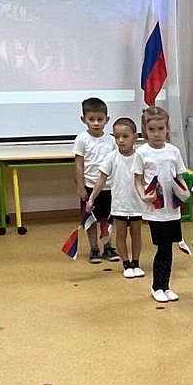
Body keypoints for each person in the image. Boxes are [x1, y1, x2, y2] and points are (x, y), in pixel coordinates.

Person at [131, 106, 188, 302]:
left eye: (161, 129)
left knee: (169, 248)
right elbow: (138, 180)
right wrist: (143, 196)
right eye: (152, 129)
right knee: (163, 248)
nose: (156, 134)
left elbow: (179, 177)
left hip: (172, 209)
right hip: (155, 210)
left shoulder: (173, 151)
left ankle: (166, 286)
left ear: (167, 129)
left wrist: (184, 192)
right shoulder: (142, 153)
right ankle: (157, 286)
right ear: (144, 130)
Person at [98, 116, 146, 280]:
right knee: (120, 235)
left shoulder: (140, 157)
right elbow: (101, 179)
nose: (120, 140)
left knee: (136, 234)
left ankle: (136, 263)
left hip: (137, 204)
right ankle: (126, 264)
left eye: (125, 136)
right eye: (117, 136)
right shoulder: (112, 157)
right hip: (119, 204)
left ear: (135, 137)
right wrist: (91, 198)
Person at [74, 96, 117, 264]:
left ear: (107, 119)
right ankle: (94, 248)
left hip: (109, 187)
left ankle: (107, 245)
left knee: (107, 218)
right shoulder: (81, 139)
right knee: (90, 219)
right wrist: (80, 186)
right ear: (83, 119)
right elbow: (79, 164)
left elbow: (116, 162)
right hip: (89, 187)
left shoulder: (111, 140)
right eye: (91, 119)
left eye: (100, 119)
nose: (96, 123)